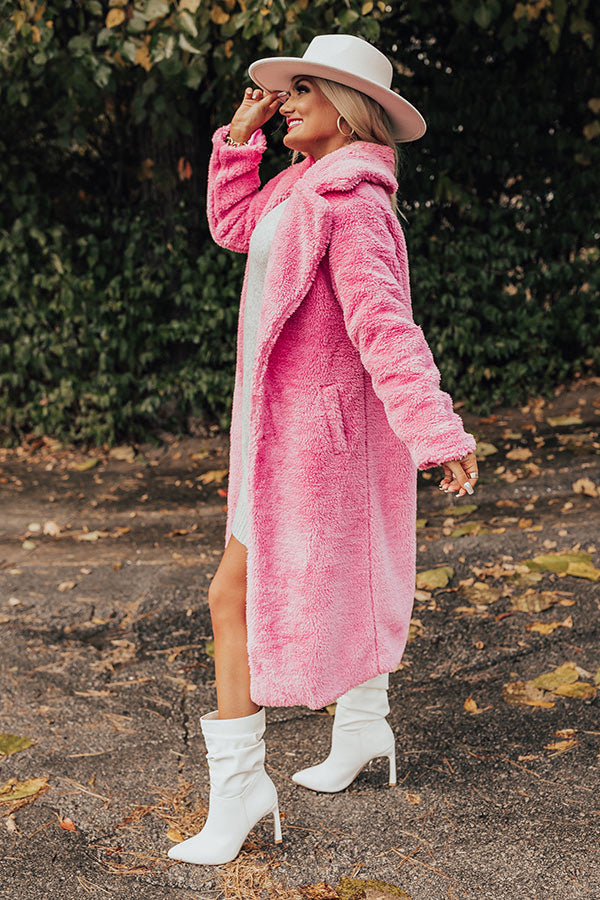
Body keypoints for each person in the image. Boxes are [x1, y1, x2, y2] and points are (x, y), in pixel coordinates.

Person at [167, 33, 479, 867]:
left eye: (304, 91)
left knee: (230, 597)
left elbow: (385, 324)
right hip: (274, 430)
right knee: (346, 572)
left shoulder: (354, 203)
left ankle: (240, 791)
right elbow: (234, 228)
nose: (287, 103)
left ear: (346, 110)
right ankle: (365, 727)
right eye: (290, 89)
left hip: (313, 441)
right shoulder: (299, 185)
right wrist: (240, 136)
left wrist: (435, 428)